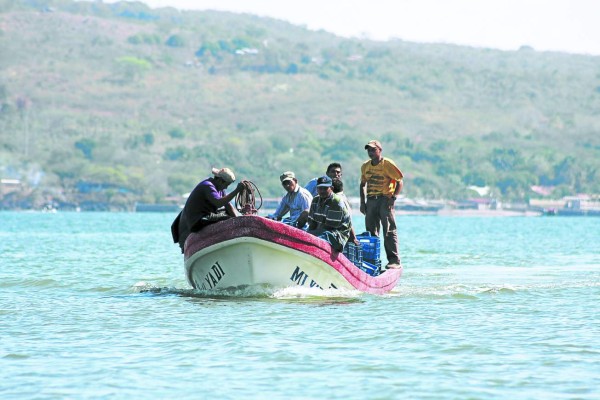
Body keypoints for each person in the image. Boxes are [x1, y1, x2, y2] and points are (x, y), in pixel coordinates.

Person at [171, 167, 245, 252]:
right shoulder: (207, 186)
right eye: (227, 185)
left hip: (206, 215)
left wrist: (238, 220)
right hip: (198, 220)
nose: (226, 188)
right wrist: (237, 191)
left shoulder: (220, 188)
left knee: (228, 214)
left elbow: (228, 205)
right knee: (226, 217)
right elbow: (218, 202)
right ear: (220, 181)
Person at [359, 140, 404, 269]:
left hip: (385, 200)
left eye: (373, 150)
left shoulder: (387, 164)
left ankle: (394, 260)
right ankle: (372, 261)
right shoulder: (365, 166)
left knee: (389, 231)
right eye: (369, 150)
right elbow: (362, 184)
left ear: (380, 150)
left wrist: (393, 198)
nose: (370, 152)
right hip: (371, 200)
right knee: (371, 232)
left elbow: (400, 181)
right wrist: (362, 203)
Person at [306, 176, 351, 252]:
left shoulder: (336, 202)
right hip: (321, 232)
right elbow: (312, 223)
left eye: (325, 188)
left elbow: (329, 227)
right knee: (305, 234)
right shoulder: (315, 200)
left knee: (322, 235)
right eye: (320, 188)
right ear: (317, 189)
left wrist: (310, 236)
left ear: (332, 189)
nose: (322, 191)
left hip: (337, 236)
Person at [331, 178, 358, 245]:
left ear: (330, 189)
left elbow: (348, 221)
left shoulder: (336, 200)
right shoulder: (343, 197)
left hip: (341, 236)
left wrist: (353, 238)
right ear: (342, 189)